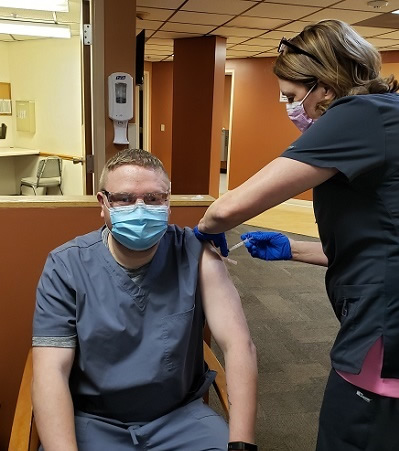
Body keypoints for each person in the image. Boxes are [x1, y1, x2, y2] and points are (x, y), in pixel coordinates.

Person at [196, 19, 399, 451]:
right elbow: (382, 243)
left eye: (292, 97)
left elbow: (230, 207)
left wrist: (205, 228)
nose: (292, 108)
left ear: (324, 87)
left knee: (350, 435)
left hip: (386, 326)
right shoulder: (390, 114)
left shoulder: (356, 116)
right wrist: (293, 249)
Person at [31, 148, 258, 451]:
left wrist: (242, 443)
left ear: (168, 202)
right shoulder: (65, 266)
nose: (140, 209)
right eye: (125, 199)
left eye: (153, 199)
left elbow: (239, 345)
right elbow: (51, 371)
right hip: (93, 421)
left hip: (179, 418)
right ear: (103, 203)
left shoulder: (197, 253)